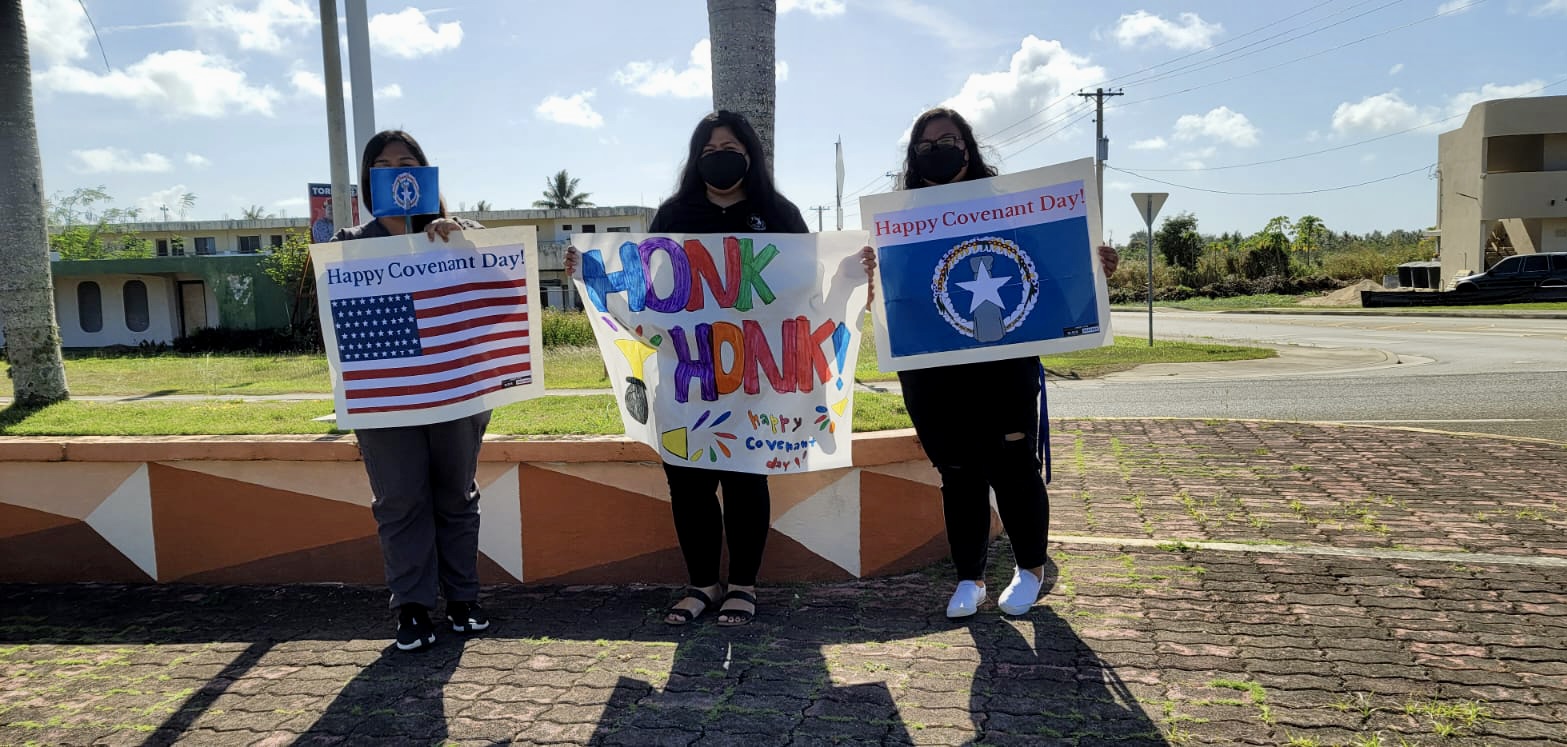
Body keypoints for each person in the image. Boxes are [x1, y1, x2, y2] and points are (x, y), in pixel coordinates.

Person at [860, 107, 1119, 619]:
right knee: (958, 473)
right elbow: (892, 295)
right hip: (931, 369)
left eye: (948, 140)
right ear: (913, 156)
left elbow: (1050, 274)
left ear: (968, 145)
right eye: (926, 145)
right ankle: (970, 578)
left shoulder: (1009, 207)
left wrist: (1095, 266)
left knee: (1015, 468)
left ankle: (1030, 569)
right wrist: (866, 268)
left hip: (1004, 365)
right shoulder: (898, 218)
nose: (938, 150)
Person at [566, 111, 809, 626]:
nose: (721, 158)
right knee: (688, 483)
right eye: (710, 149)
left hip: (753, 379)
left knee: (747, 480)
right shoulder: (674, 213)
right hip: (686, 377)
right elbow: (644, 288)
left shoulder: (778, 213)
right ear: (696, 159)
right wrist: (591, 274)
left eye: (732, 148)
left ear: (751, 155)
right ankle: (703, 584)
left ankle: (743, 585)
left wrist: (857, 271)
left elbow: (810, 281)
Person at [332, 129, 491, 651]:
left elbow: (498, 281)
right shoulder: (348, 247)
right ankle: (414, 608)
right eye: (382, 164)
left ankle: (463, 600)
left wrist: (459, 234)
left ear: (425, 170)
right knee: (400, 500)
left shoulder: (458, 234)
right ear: (369, 179)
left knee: (456, 495)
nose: (396, 170)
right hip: (386, 396)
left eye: (406, 160)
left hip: (457, 388)